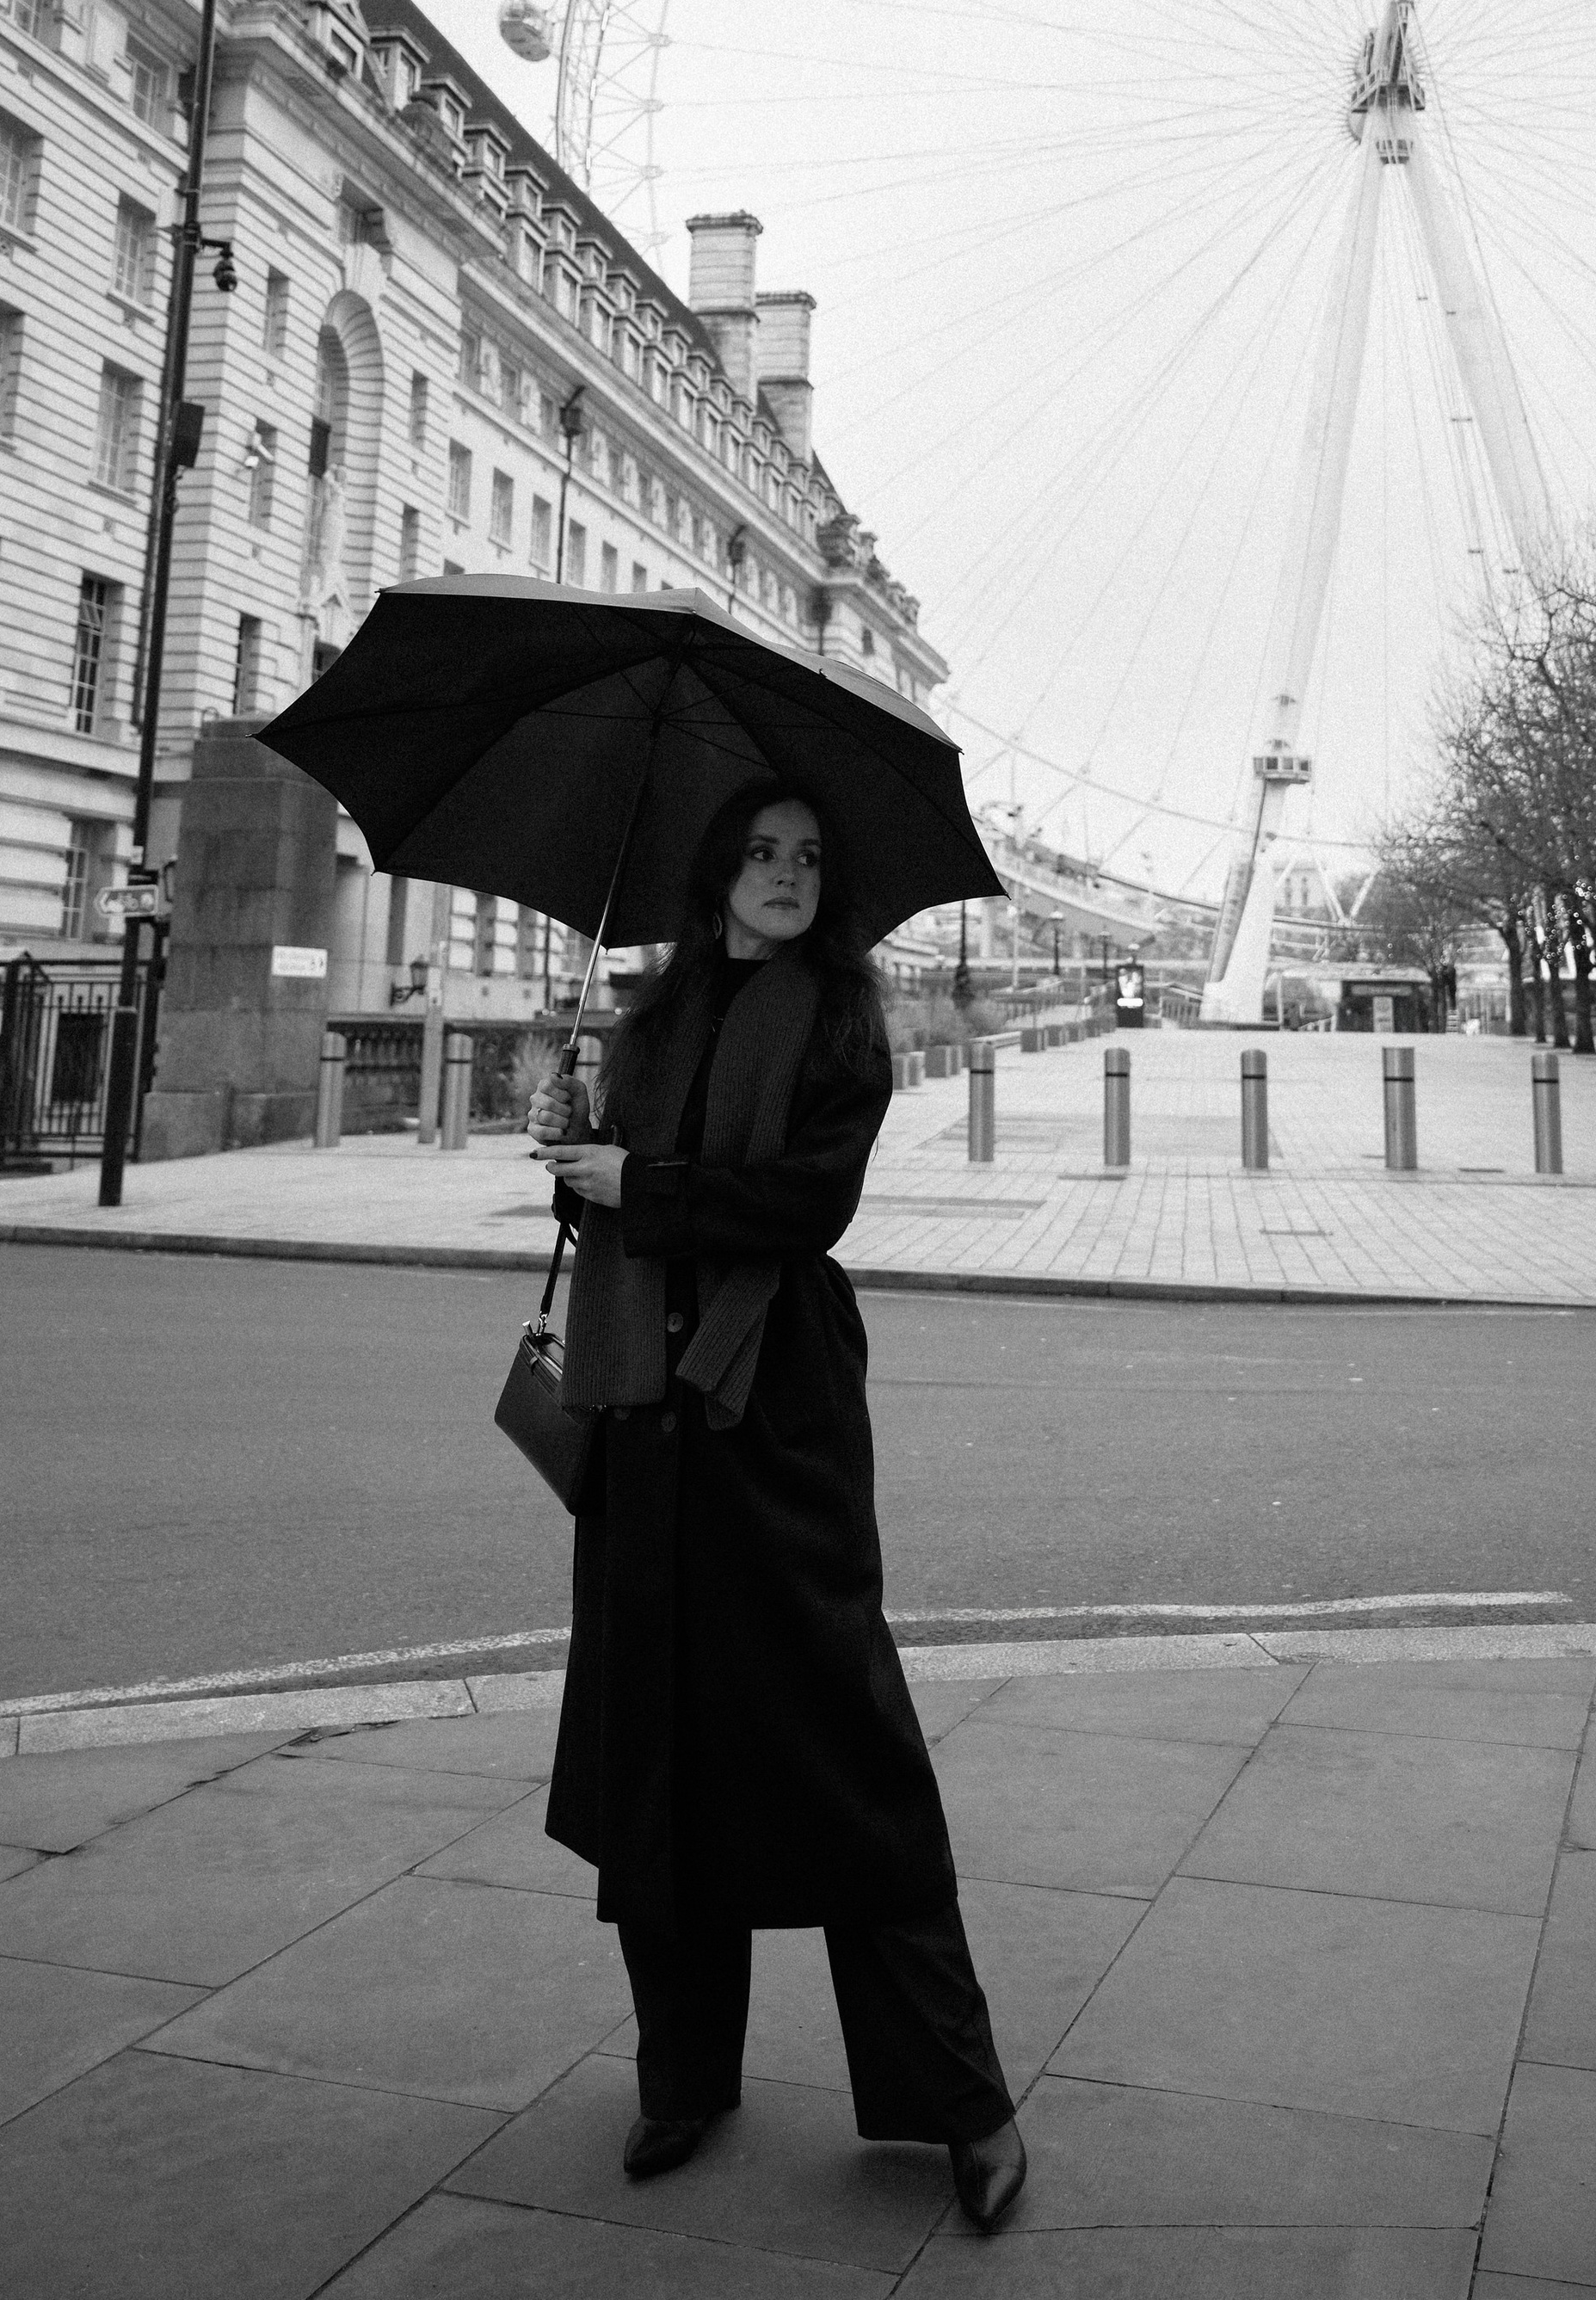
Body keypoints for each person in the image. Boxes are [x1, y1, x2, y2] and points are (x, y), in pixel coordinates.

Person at [527, 779, 1026, 2234]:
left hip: (773, 1409)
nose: (787, 874)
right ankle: (683, 2076)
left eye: (809, 855)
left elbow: (808, 1206)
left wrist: (642, 1180)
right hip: (642, 1416)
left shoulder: (840, 1025)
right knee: (656, 1739)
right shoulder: (649, 1022)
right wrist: (574, 1156)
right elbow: (609, 1202)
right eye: (762, 851)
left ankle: (962, 2101)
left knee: (844, 1745)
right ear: (715, 869)